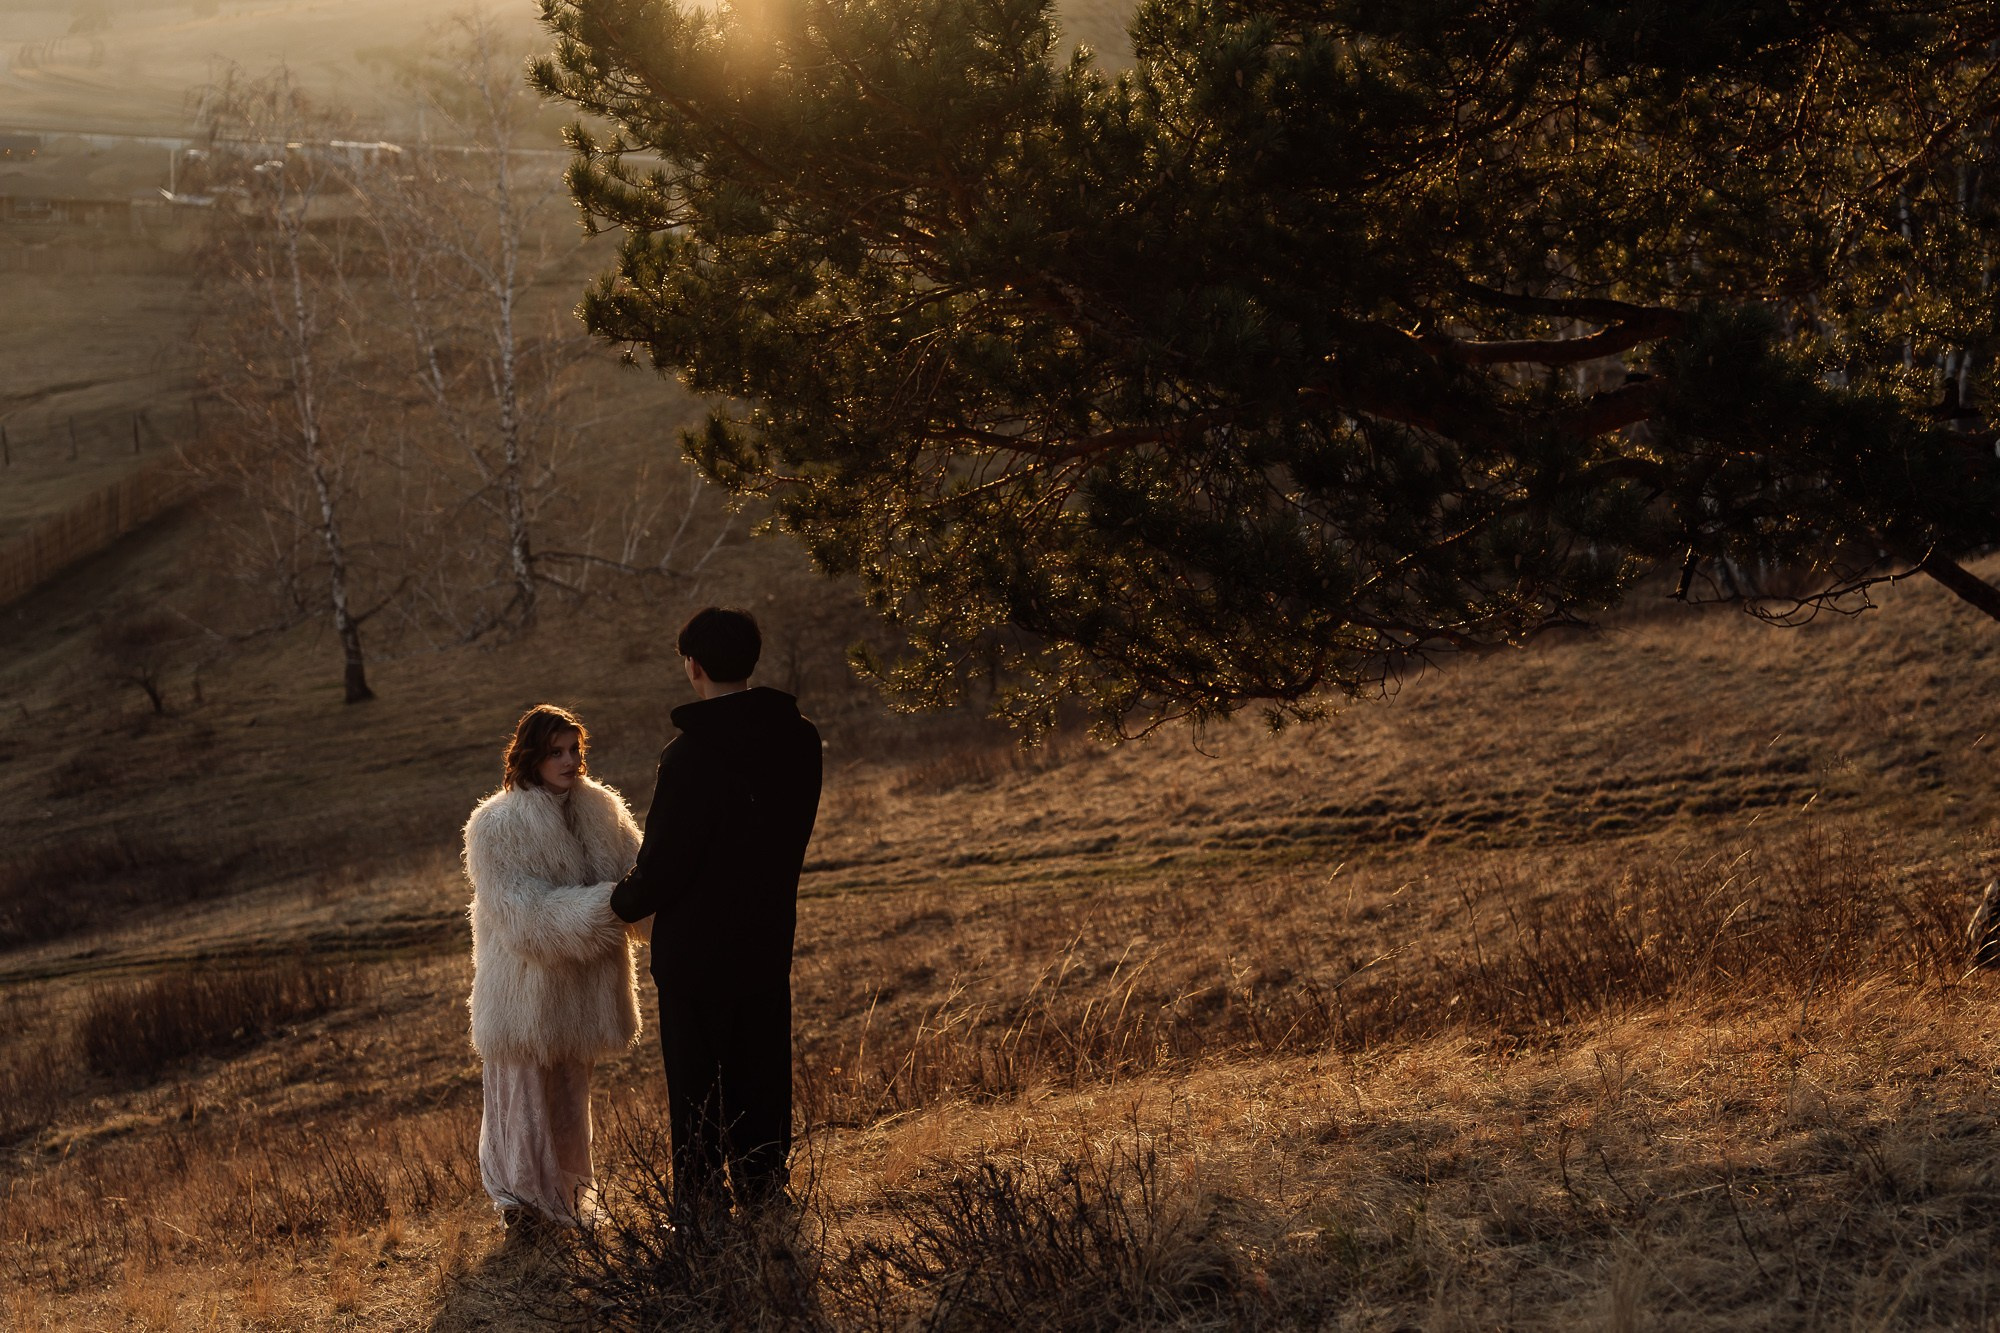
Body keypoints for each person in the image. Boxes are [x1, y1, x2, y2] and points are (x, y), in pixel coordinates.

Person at [611, 607, 823, 1218]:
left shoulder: (689, 755)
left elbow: (663, 868)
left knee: (698, 1088)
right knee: (762, 1071)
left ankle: (702, 1207)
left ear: (693, 667)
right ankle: (764, 1188)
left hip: (694, 954)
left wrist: (617, 902)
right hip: (766, 935)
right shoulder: (799, 736)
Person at [463, 704, 646, 1231]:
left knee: (568, 1102)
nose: (568, 762)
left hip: (582, 992)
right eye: (556, 752)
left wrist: (638, 900)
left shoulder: (603, 811)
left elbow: (642, 876)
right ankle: (521, 1208)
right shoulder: (495, 825)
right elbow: (523, 914)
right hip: (523, 993)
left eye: (575, 751)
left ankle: (566, 1202)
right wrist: (609, 905)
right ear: (531, 757)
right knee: (521, 1103)